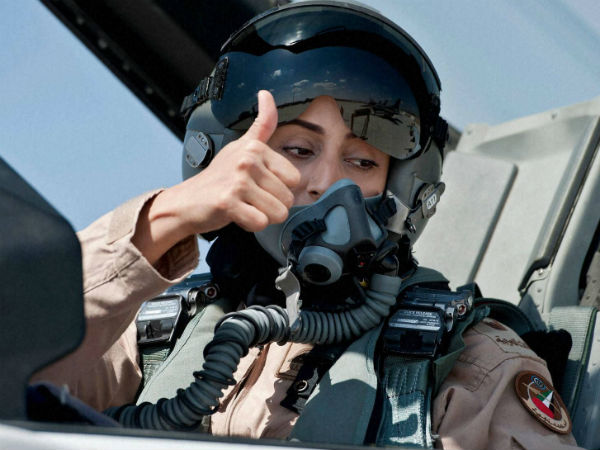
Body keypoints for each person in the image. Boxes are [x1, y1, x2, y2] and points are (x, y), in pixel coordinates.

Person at [32, 2, 582, 449]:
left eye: (362, 161)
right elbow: (18, 352)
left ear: (402, 191)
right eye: (297, 149)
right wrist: (167, 217)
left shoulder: (471, 365)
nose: (324, 183)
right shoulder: (157, 334)